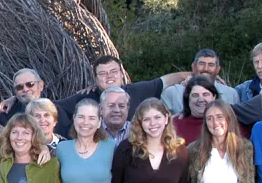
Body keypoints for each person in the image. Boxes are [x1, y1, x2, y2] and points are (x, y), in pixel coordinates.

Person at [48, 57, 192, 134]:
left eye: (113, 71)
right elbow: (51, 107)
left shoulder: (137, 90)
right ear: (96, 78)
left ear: (121, 73)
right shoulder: (85, 98)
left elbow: (167, 80)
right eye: (103, 73)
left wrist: (197, 76)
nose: (109, 76)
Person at [161, 50, 240, 115]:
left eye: (211, 65)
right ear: (193, 67)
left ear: (218, 69)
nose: (206, 68)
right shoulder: (172, 93)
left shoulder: (231, 94)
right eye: (201, 64)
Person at [173, 77, 219, 144]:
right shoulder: (175, 124)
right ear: (188, 98)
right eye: (195, 95)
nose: (201, 99)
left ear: (214, 97)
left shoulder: (223, 123)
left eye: (205, 94)